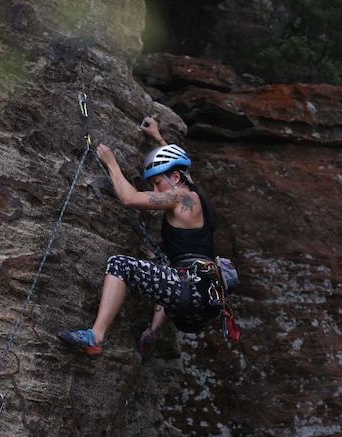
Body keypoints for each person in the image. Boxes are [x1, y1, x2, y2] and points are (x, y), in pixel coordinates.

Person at [58, 116, 226, 359]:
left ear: (176, 179)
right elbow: (181, 170)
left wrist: (111, 163)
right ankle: (153, 331)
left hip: (191, 292)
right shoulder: (195, 196)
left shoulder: (180, 196)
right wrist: (158, 139)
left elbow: (130, 199)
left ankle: (96, 336)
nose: (156, 190)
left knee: (120, 264)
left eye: (158, 183)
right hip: (205, 300)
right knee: (166, 266)